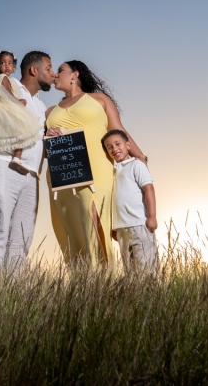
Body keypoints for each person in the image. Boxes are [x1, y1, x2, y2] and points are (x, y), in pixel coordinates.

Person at [45, 60, 147, 267]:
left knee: (95, 219)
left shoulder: (99, 99)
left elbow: (118, 130)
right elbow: (45, 151)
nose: (55, 74)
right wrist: (47, 135)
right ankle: (82, 284)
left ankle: (106, 280)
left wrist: (141, 158)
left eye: (61, 70)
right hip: (62, 175)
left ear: (75, 75)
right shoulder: (49, 112)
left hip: (96, 170)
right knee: (71, 228)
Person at [0, 51, 56, 271]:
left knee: (22, 236)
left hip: (31, 173)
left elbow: (36, 141)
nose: (53, 74)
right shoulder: (8, 85)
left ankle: (14, 295)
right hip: (2, 162)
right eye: (48, 68)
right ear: (33, 70)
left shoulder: (39, 104)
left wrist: (53, 138)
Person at [104, 129, 159, 274]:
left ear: (128, 145)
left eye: (118, 144)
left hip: (140, 225)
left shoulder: (136, 165)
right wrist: (115, 227)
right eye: (109, 147)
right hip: (122, 230)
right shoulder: (113, 171)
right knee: (130, 272)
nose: (114, 149)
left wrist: (152, 217)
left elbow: (149, 189)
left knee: (147, 269)